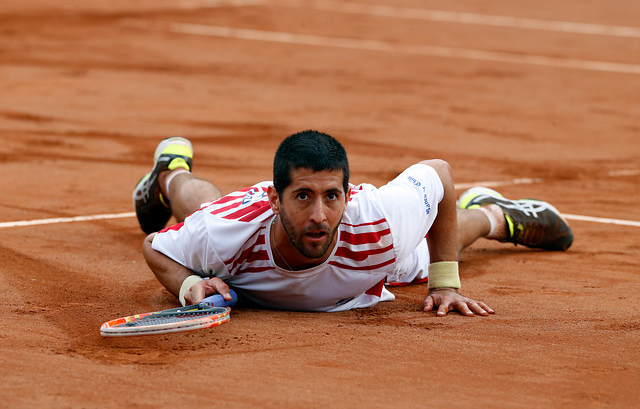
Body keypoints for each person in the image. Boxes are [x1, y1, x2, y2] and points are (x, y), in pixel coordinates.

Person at [133, 131, 573, 316]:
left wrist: (445, 283)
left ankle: (494, 214)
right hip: (238, 228)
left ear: (348, 194)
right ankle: (171, 171)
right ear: (275, 199)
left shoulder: (380, 224)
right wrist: (190, 287)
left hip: (370, 268)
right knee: (207, 216)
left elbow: (438, 172)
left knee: (438, 246)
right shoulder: (226, 233)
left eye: (332, 196)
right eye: (302, 197)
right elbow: (156, 245)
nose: (319, 216)